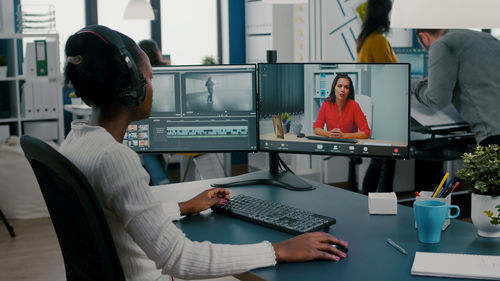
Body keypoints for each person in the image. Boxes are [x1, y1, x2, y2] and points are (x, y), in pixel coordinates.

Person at [60, 25, 348, 281]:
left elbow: (119, 214)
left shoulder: (77, 141)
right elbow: (179, 258)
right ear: (131, 87)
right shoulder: (115, 158)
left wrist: (183, 207)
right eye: (149, 78)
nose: (152, 87)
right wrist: (277, 250)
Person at [412, 28, 500, 146]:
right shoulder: (487, 38)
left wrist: (416, 86)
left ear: (424, 37)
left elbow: (436, 100)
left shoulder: (442, 44)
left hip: (493, 135)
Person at [356, 0, 397, 194]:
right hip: (384, 106)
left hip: (372, 104)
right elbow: (390, 73)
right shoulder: (378, 41)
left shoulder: (364, 40)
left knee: (378, 160)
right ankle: (380, 199)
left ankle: (367, 198)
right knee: (385, 161)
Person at [138, 39, 172, 185]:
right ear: (157, 52)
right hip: (169, 126)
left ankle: (161, 180)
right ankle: (162, 180)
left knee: (144, 144)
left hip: (151, 130)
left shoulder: (140, 77)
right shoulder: (168, 72)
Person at [313, 73, 370, 139]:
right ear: (334, 88)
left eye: (346, 87)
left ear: (349, 91)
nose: (342, 90)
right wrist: (328, 134)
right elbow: (317, 128)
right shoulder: (326, 104)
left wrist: (343, 136)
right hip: (332, 144)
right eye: (339, 86)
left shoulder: (354, 105)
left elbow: (366, 133)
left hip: (349, 145)